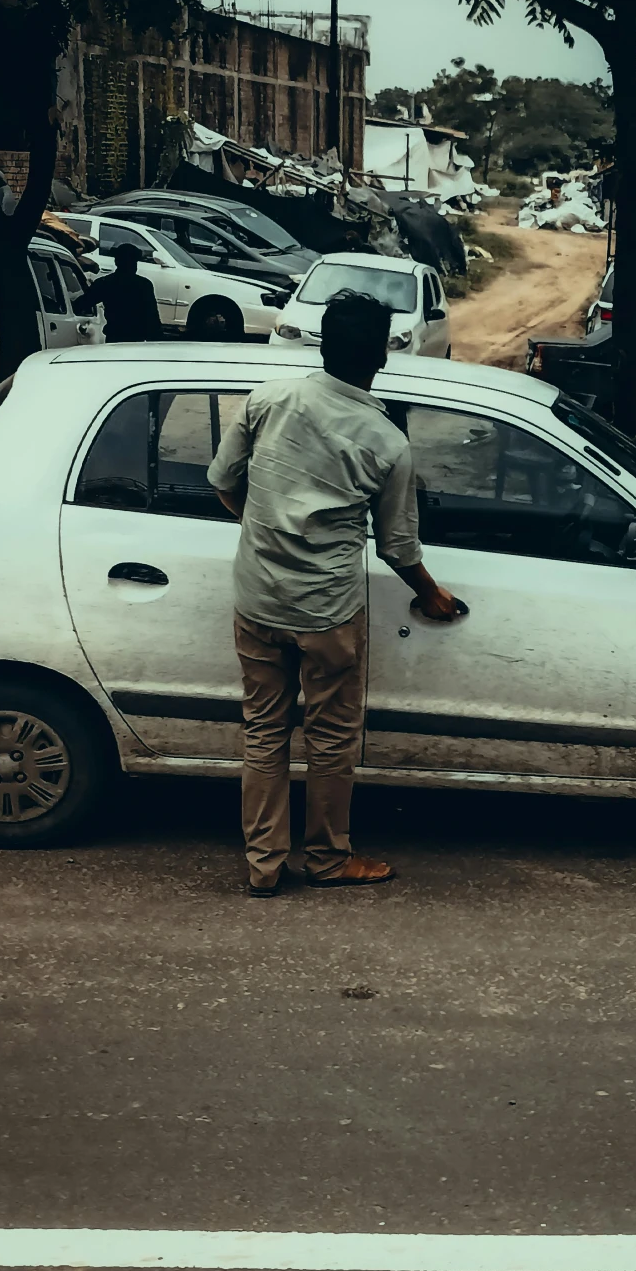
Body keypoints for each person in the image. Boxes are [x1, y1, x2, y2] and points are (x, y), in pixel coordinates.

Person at [207, 291, 464, 896]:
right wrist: (430, 593)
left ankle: (264, 866)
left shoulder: (269, 400)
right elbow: (399, 547)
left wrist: (264, 528)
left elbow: (222, 483)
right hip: (326, 612)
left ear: (322, 342)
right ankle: (327, 858)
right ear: (380, 356)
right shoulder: (386, 443)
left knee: (264, 732)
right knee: (330, 737)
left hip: (258, 601)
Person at [85, 242, 164, 342]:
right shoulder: (144, 285)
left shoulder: (105, 283)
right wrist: (157, 340)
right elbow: (152, 316)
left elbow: (84, 302)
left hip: (114, 337)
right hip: (136, 339)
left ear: (116, 262)